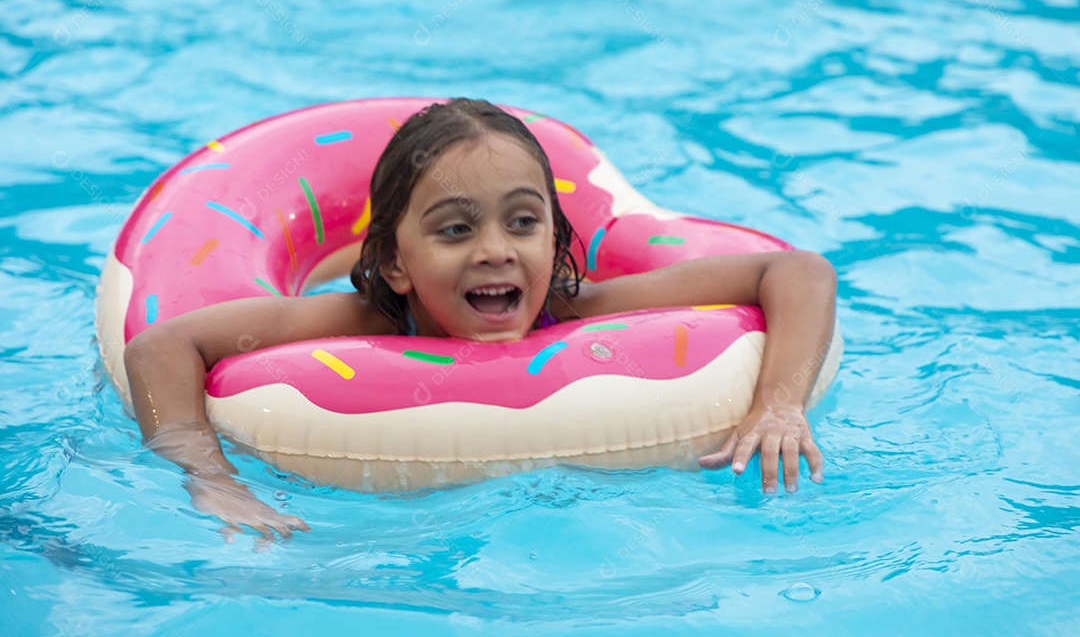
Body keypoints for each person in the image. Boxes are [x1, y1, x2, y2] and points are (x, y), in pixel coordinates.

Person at [123, 98, 837, 540]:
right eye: (455, 231)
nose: (496, 251)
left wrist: (778, 406)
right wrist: (209, 477)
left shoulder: (573, 305)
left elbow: (797, 271)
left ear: (554, 241)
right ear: (398, 263)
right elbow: (165, 343)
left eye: (523, 223)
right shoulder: (364, 318)